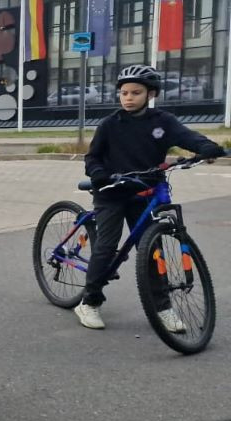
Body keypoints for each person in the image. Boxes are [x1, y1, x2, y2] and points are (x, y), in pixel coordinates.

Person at [75, 64, 224, 331]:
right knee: (106, 246)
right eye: (124, 93)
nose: (128, 98)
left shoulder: (162, 122)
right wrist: (99, 174)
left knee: (153, 250)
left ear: (151, 94)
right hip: (112, 192)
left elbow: (187, 137)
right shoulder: (110, 124)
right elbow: (93, 157)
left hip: (144, 193)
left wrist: (208, 147)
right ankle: (89, 302)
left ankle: (162, 307)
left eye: (136, 93)